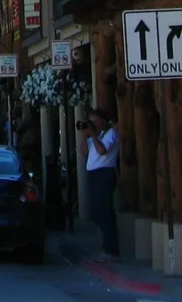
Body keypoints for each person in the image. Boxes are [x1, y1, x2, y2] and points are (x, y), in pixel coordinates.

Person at [80, 108, 119, 262]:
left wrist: (94, 135)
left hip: (104, 174)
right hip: (94, 175)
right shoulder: (97, 136)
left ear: (103, 122)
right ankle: (106, 247)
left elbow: (102, 150)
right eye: (92, 122)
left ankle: (112, 250)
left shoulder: (110, 134)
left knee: (106, 213)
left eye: (96, 122)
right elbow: (84, 152)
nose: (93, 124)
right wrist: (84, 136)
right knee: (98, 213)